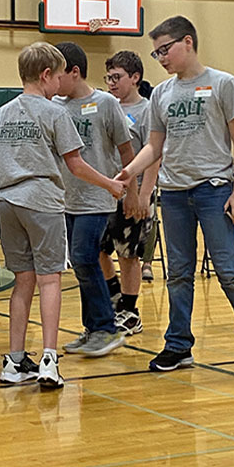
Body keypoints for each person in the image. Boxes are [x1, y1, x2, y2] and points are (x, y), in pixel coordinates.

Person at [117, 16, 234, 380]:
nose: (161, 58)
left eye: (165, 50)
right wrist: (130, 172)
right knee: (178, 274)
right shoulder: (161, 93)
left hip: (213, 190)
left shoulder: (222, 83)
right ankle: (178, 345)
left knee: (230, 272)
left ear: (187, 42)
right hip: (174, 194)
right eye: (156, 53)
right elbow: (154, 145)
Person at [0, 42, 126, 389]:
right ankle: (49, 360)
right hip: (42, 201)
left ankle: (14, 361)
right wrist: (110, 184)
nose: (61, 82)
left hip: (7, 202)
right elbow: (75, 164)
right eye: (58, 75)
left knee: (23, 282)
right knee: (49, 280)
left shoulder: (1, 113)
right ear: (46, 75)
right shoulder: (54, 113)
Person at [53, 41, 136, 357]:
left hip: (97, 197)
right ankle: (92, 328)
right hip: (67, 198)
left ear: (74, 72)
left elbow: (126, 151)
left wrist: (132, 192)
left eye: (58, 74)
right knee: (81, 262)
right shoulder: (56, 105)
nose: (54, 81)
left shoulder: (106, 103)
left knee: (85, 257)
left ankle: (106, 327)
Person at [103, 50, 160, 335]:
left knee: (128, 255)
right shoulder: (106, 106)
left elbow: (154, 155)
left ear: (135, 77)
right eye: (108, 78)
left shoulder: (147, 110)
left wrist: (143, 194)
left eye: (117, 77)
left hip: (133, 192)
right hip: (105, 191)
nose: (111, 83)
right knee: (97, 250)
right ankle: (116, 298)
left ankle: (130, 312)